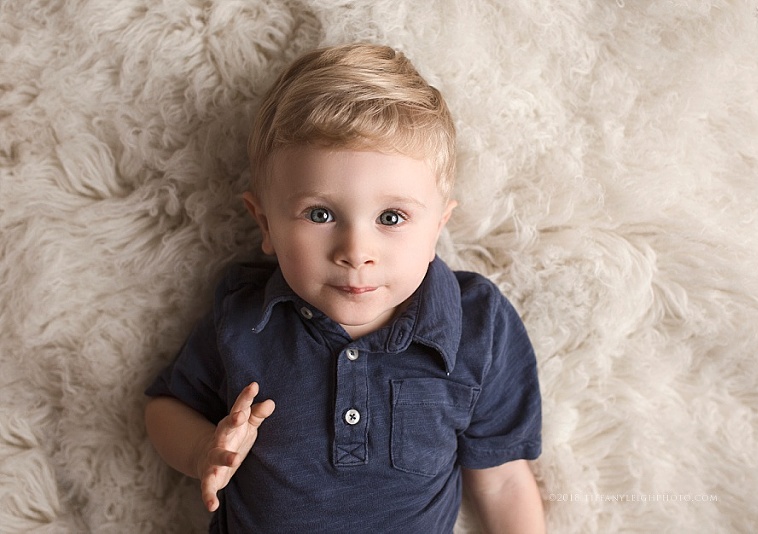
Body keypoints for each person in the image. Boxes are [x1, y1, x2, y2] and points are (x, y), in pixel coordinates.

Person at [145, 43, 545, 533]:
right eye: (320, 214)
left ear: (437, 227)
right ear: (265, 224)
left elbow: (503, 480)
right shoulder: (246, 318)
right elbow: (165, 408)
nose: (356, 251)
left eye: (391, 217)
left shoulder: (477, 324)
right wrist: (203, 450)